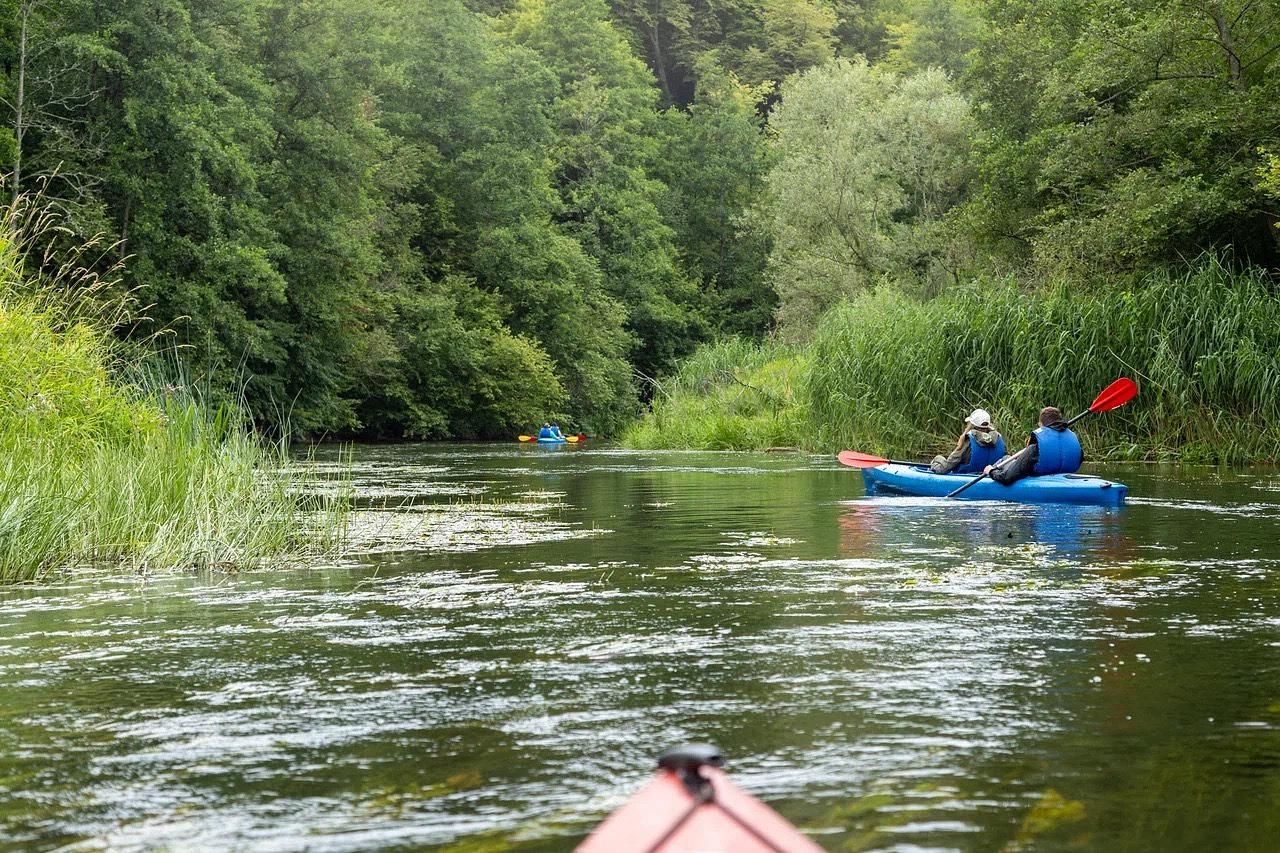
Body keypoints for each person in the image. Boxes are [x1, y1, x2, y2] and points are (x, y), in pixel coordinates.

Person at [985, 406, 1082, 485]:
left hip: (1040, 478)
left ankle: (986, 472)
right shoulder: (1072, 439)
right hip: (1065, 478)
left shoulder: (1034, 449)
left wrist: (991, 472)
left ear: (1041, 424)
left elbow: (1007, 478)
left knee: (1005, 458)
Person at [930, 409, 1005, 474]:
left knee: (938, 458)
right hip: (990, 477)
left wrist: (937, 459)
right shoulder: (999, 438)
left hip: (967, 477)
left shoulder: (968, 440)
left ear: (971, 425)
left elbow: (945, 468)